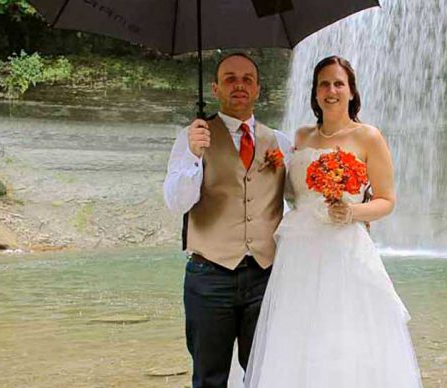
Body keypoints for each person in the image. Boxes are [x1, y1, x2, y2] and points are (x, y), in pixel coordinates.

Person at [243, 56, 422, 387]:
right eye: (323, 84)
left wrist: (353, 212)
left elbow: (387, 200)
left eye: (339, 83)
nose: (331, 90)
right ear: (314, 93)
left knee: (342, 335)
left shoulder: (369, 137)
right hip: (298, 251)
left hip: (344, 248)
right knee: (296, 333)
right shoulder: (301, 137)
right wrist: (270, 169)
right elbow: (291, 195)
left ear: (352, 91)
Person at [163, 52, 292, 387]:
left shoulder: (280, 142)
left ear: (258, 89)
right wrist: (194, 155)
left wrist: (353, 204)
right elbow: (176, 202)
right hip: (209, 277)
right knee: (209, 378)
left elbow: (300, 199)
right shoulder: (191, 138)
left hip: (265, 277)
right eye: (230, 79)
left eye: (247, 79)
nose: (239, 85)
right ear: (215, 88)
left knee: (265, 374)